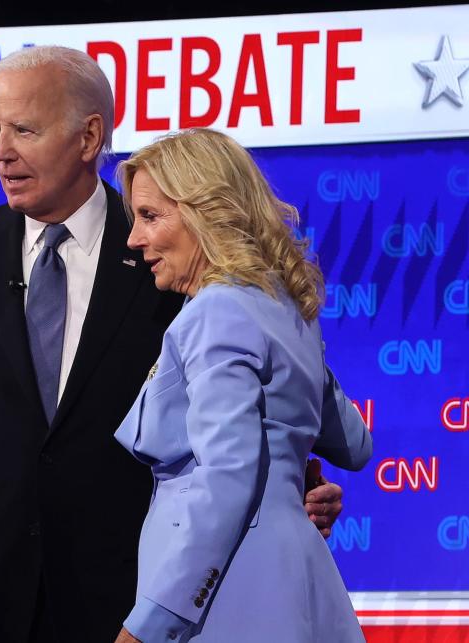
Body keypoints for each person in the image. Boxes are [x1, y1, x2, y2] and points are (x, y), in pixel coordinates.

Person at [0, 47, 348, 643]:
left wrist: (294, 482)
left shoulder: (168, 255)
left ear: (89, 138)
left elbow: (250, 402)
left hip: (128, 603)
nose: (1, 151)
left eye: (24, 129)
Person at [113, 128, 372, 643]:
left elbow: (226, 480)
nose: (134, 239)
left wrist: (149, 627)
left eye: (150, 215)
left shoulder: (216, 311)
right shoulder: (284, 306)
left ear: (206, 210)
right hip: (294, 576)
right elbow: (356, 444)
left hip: (233, 590)